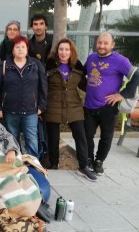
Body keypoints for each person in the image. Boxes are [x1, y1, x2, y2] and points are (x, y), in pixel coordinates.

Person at [84, 32, 139, 175]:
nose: (101, 46)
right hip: (89, 105)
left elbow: (137, 77)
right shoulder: (91, 57)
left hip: (108, 107)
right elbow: (82, 74)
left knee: (106, 137)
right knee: (86, 135)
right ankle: (89, 159)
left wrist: (121, 95)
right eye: (99, 42)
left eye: (105, 43)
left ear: (112, 45)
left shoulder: (120, 60)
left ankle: (99, 161)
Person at [44, 38, 97, 181]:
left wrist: (102, 89)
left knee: (81, 136)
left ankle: (83, 166)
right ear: (57, 51)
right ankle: (54, 164)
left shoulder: (77, 66)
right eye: (61, 49)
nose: (63, 52)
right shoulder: (48, 65)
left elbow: (86, 86)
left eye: (67, 49)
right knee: (53, 139)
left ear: (71, 51)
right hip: (53, 106)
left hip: (74, 106)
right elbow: (42, 87)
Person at [0, 36, 47, 159]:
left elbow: (43, 87)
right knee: (12, 141)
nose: (20, 49)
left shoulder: (36, 65)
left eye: (23, 46)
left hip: (30, 111)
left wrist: (41, 106)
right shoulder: (5, 65)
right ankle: (14, 167)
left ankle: (33, 167)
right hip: (10, 111)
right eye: (17, 47)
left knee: (32, 140)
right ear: (13, 50)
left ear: (27, 49)